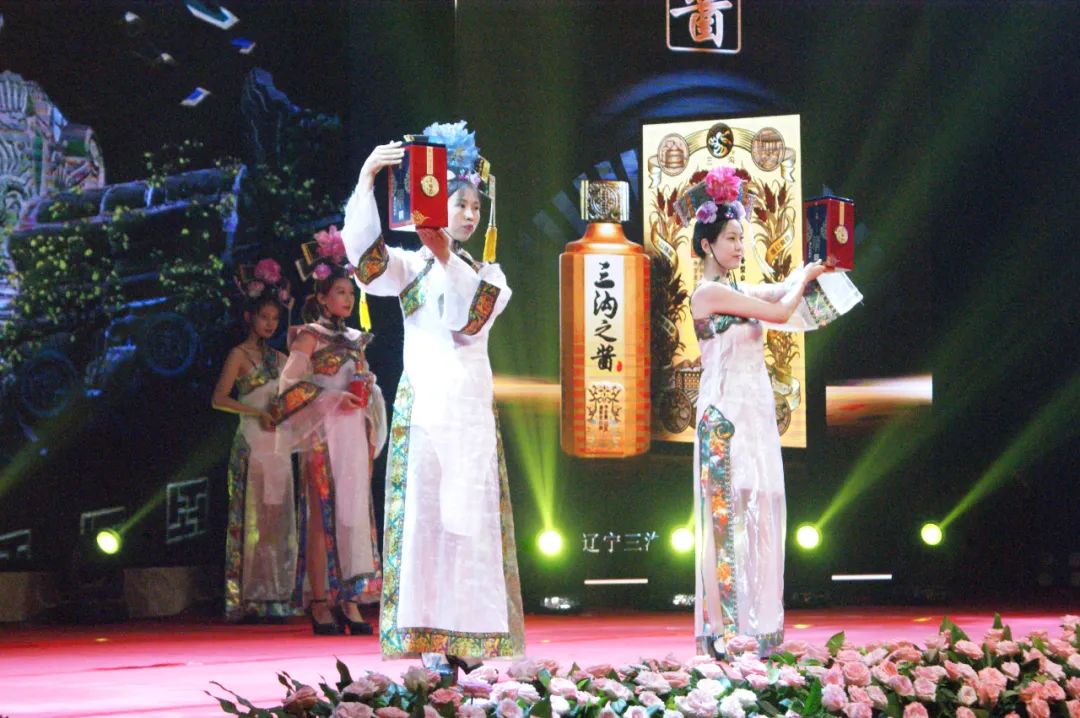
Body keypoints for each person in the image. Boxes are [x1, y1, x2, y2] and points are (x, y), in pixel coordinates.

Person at [341, 121, 525, 664]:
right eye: (459, 203)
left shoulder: (490, 275)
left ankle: (471, 637)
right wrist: (366, 181)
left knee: (469, 521)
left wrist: (444, 252)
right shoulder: (410, 266)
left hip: (468, 415)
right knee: (425, 520)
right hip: (423, 410)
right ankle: (429, 639)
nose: (469, 214)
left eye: (475, 206)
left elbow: (469, 320)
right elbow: (367, 266)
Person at [686, 167, 862, 657]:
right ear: (707, 245)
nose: (739, 245)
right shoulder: (707, 294)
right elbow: (782, 310)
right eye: (730, 238)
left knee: (762, 511)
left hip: (754, 414)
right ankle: (723, 632)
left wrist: (816, 267)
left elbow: (782, 291)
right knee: (725, 520)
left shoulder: (739, 290)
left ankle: (756, 627)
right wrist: (804, 276)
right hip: (723, 416)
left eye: (741, 237)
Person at [272, 233, 387, 635]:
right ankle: (320, 600)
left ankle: (349, 598)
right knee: (323, 517)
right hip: (321, 433)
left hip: (353, 434)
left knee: (354, 515)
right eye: (340, 292)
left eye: (351, 293)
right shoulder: (309, 335)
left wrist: (368, 388)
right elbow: (288, 387)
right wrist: (331, 397)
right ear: (322, 298)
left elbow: (363, 383)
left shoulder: (356, 340)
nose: (348, 299)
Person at [212, 260, 297, 623]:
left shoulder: (281, 358)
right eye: (264, 317)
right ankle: (248, 596)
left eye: (275, 319)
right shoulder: (239, 355)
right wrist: (255, 412)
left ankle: (276, 593)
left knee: (277, 521)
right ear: (250, 317)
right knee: (251, 520)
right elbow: (219, 398)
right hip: (251, 443)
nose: (270, 324)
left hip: (278, 447)